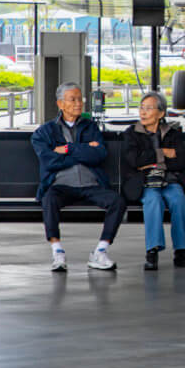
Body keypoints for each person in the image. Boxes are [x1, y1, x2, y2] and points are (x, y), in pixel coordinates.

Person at [32, 82, 126, 272]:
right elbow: (49, 161)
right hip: (62, 186)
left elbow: (99, 154)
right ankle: (57, 252)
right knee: (49, 199)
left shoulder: (90, 127)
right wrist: (83, 151)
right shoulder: (44, 132)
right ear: (60, 104)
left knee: (117, 201)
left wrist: (67, 150)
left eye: (80, 99)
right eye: (72, 99)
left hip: (91, 185)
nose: (78, 104)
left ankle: (101, 251)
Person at [122, 91, 185, 271]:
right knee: (153, 200)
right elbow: (134, 161)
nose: (143, 112)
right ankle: (152, 249)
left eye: (148, 108)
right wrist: (163, 154)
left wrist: (149, 161)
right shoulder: (132, 133)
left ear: (161, 113)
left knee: (179, 201)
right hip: (145, 182)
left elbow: (180, 161)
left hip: (169, 180)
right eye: (141, 108)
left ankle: (181, 251)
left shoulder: (173, 134)